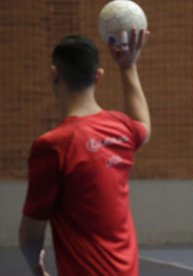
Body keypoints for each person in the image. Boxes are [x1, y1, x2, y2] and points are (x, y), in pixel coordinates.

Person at [18, 29, 150, 276]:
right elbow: (144, 126)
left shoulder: (52, 145)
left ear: (54, 74)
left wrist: (37, 269)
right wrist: (128, 66)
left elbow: (30, 235)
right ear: (98, 76)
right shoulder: (122, 129)